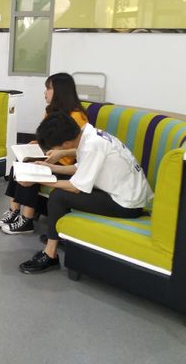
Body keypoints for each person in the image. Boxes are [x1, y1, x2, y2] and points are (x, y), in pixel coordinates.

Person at [18, 111, 153, 274]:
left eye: (55, 148)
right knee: (60, 189)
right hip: (125, 194)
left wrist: (36, 179)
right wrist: (51, 168)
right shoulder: (90, 135)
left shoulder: (92, 145)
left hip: (126, 205)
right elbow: (81, 168)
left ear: (66, 143)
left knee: (58, 196)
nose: (54, 151)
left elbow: (75, 187)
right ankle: (59, 236)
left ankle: (50, 255)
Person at [0, 73, 88, 235]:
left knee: (31, 170)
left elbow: (83, 149)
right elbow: (47, 139)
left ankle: (27, 220)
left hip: (66, 165)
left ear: (59, 91)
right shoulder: (50, 112)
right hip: (49, 157)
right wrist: (37, 143)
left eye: (48, 88)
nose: (45, 92)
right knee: (19, 165)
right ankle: (14, 211)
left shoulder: (77, 116)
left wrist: (61, 153)